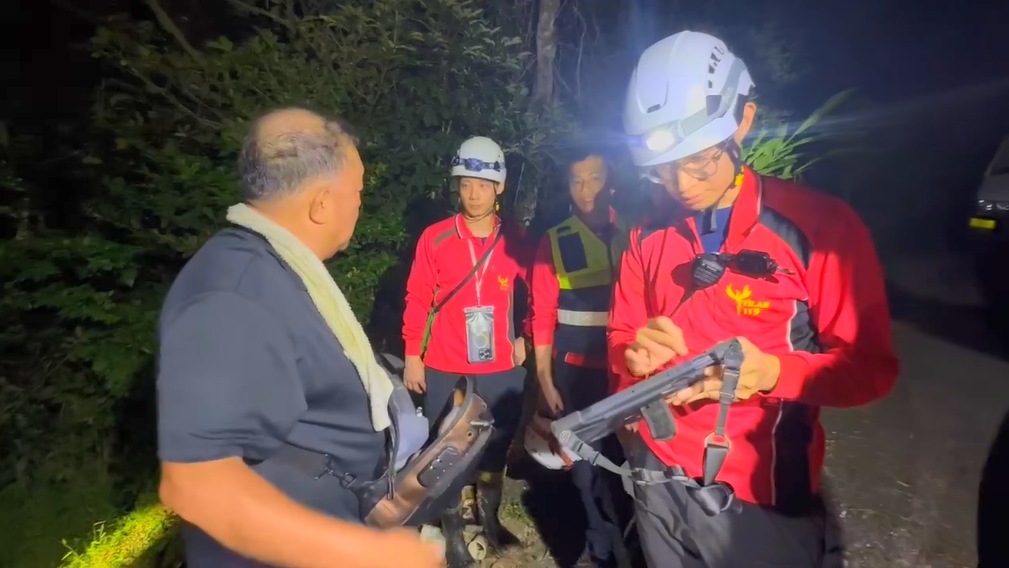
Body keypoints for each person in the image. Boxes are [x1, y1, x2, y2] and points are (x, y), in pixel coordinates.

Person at [610, 31, 900, 567]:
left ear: (743, 121)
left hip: (758, 495)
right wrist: (631, 357)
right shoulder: (647, 233)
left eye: (699, 161)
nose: (681, 184)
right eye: (663, 167)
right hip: (657, 472)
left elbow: (871, 369)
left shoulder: (820, 229)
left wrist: (773, 373)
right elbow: (621, 334)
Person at [156, 108, 443, 568]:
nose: (360, 205)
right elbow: (197, 484)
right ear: (322, 204)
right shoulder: (235, 295)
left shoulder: (277, 269)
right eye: (358, 191)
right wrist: (371, 555)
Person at [402, 136, 531, 568]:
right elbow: (418, 296)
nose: (473, 194)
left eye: (483, 184)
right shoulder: (436, 238)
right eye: (465, 183)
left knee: (496, 445)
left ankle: (490, 520)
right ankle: (454, 534)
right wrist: (413, 354)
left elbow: (539, 291)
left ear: (499, 187)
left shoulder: (517, 240)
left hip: (501, 364)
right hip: (445, 362)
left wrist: (527, 336)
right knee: (447, 451)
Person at [529, 149, 630, 568]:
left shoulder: (636, 233)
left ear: (612, 182)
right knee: (586, 467)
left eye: (595, 178)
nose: (586, 190)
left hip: (628, 375)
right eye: (576, 180)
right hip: (575, 375)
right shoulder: (555, 241)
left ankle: (636, 544)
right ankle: (599, 549)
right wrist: (545, 380)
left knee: (631, 464)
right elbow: (541, 316)